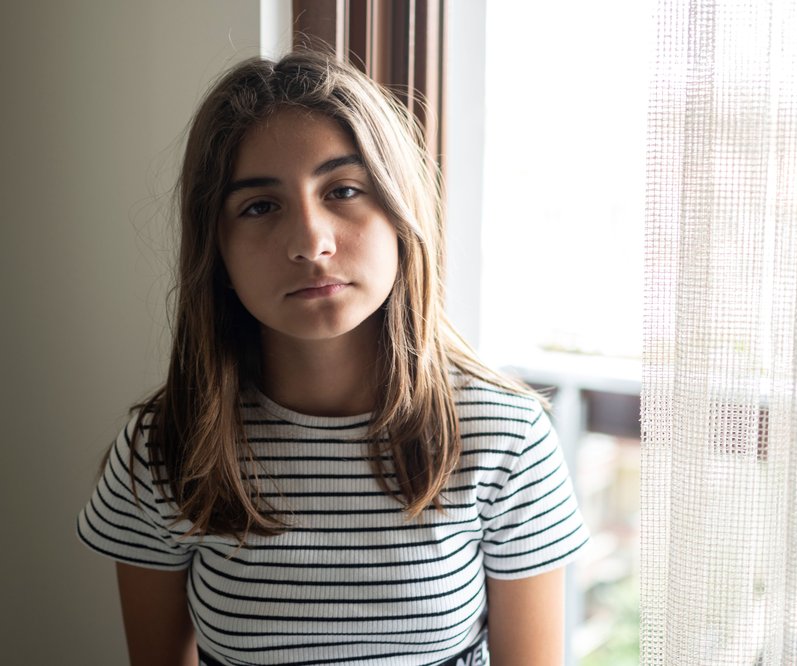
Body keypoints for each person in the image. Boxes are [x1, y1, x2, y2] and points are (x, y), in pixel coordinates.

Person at [77, 50, 588, 666]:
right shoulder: (164, 446)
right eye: (260, 206)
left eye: (343, 190)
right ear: (218, 251)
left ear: (400, 214)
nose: (311, 242)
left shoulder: (505, 436)